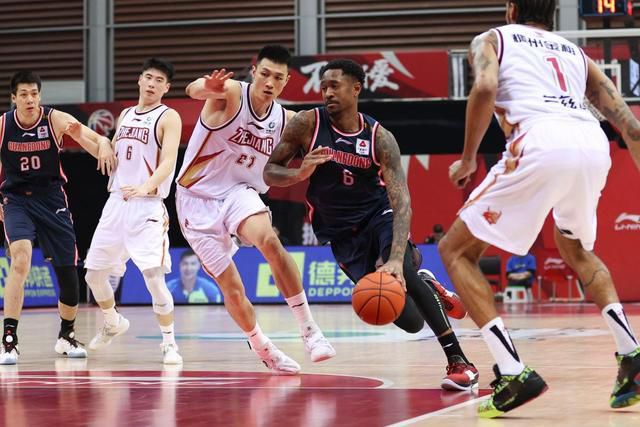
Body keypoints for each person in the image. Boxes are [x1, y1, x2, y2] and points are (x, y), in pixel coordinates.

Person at [438, 0, 640, 417]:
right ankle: (631, 353)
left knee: (455, 251)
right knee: (577, 250)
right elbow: (630, 123)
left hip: (539, 141)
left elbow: (485, 88)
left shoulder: (493, 38)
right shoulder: (576, 53)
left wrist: (469, 157)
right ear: (551, 12)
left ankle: (512, 372)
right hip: (592, 143)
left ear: (511, 8)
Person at [264, 59, 478, 391]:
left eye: (335, 85)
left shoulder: (380, 138)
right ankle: (425, 280)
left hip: (378, 217)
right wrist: (298, 173)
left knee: (400, 270)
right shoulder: (307, 124)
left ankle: (460, 361)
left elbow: (402, 201)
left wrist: (394, 258)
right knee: (409, 320)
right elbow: (270, 171)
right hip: (339, 235)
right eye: (323, 87)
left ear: (356, 88)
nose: (327, 92)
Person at [175, 45, 335, 374]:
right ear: (254, 72)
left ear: (286, 81)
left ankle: (310, 331)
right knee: (232, 288)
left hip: (239, 193)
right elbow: (192, 90)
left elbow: (280, 174)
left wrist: (306, 169)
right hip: (196, 199)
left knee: (270, 241)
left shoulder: (287, 121)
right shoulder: (232, 93)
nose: (269, 82)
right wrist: (208, 87)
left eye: (278, 77)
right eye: (264, 74)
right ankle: (262, 345)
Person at [0, 70, 116, 365]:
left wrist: (102, 143)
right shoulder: (3, 126)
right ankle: (9, 341)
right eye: (23, 94)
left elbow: (88, 136)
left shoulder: (55, 120)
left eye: (34, 94)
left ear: (40, 96)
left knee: (68, 273)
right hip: (16, 200)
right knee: (21, 259)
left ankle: (66, 335)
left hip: (52, 199)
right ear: (13, 98)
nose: (29, 99)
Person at [84, 58, 183, 364]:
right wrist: (100, 142)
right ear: (140, 80)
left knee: (153, 278)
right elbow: (111, 156)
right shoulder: (125, 114)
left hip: (147, 206)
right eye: (148, 77)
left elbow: (168, 161)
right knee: (93, 276)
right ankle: (113, 322)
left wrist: (146, 186)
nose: (152, 84)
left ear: (166, 88)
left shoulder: (169, 116)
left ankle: (169, 343)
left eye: (159, 80)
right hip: (116, 203)